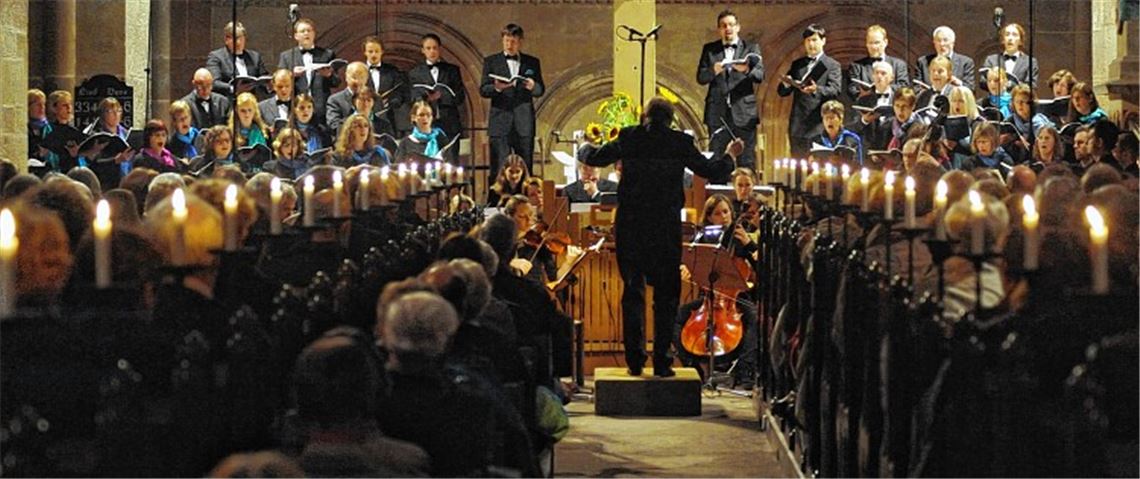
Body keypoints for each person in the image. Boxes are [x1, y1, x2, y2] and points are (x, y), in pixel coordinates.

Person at [578, 97, 743, 377]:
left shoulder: (630, 136)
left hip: (631, 225)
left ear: (645, 117)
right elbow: (711, 170)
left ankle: (634, 361)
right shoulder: (679, 142)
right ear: (671, 119)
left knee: (633, 292)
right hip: (665, 226)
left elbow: (593, 157)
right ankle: (663, 363)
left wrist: (583, 142)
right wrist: (731, 154)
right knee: (666, 295)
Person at [673, 194, 758, 386]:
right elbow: (692, 259)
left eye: (726, 212)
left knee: (754, 317)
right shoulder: (704, 237)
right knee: (677, 316)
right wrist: (688, 268)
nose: (724, 216)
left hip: (737, 299)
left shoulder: (741, 237)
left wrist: (748, 244)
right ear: (710, 217)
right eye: (718, 213)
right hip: (709, 298)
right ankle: (692, 367)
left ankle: (745, 372)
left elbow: (760, 265)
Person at [697, 9, 764, 177]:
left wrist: (746, 69)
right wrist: (713, 71)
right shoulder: (710, 50)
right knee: (717, 158)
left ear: (738, 27)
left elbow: (760, 76)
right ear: (719, 29)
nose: (728, 29)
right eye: (724, 26)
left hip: (743, 113)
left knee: (746, 159)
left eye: (731, 25)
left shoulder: (751, 48)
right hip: (717, 113)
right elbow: (701, 77)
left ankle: (746, 198)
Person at [480, 23, 545, 178]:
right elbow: (483, 89)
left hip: (524, 122)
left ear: (520, 42)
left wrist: (533, 86)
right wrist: (497, 88)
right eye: (507, 41)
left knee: (525, 166)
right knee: (499, 167)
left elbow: (540, 90)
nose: (510, 45)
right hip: (500, 122)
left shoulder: (532, 62)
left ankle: (526, 199)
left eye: (513, 41)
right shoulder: (491, 62)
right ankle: (496, 201)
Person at [777, 24, 842, 157]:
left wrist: (816, 89)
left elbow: (835, 90)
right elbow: (782, 92)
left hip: (819, 124)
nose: (811, 44)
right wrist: (787, 83)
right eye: (808, 41)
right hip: (798, 125)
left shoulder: (832, 65)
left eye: (814, 40)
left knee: (819, 166)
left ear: (823, 41)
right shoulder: (797, 64)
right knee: (798, 167)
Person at [278, 18, 340, 125]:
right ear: (296, 36)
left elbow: (337, 82)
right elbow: (279, 82)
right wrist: (292, 75)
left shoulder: (327, 54)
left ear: (314, 34)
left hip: (321, 110)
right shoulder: (287, 56)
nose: (306, 33)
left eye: (309, 30)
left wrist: (329, 75)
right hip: (297, 109)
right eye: (303, 31)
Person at [408, 33, 466, 141]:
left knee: (450, 155)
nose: (432, 51)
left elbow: (460, 97)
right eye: (428, 48)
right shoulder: (415, 73)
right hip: (426, 122)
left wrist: (442, 96)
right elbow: (412, 97)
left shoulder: (452, 70)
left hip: (449, 123)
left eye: (435, 48)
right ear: (423, 50)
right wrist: (425, 99)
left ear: (440, 49)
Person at [845, 25, 909, 101]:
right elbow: (852, 88)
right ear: (866, 44)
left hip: (893, 109)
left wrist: (882, 89)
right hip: (866, 109)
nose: (873, 47)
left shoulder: (899, 65)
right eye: (870, 43)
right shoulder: (856, 66)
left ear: (885, 42)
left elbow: (903, 87)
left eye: (877, 42)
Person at [362, 36, 410, 136]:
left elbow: (400, 91)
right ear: (365, 52)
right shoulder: (359, 70)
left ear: (382, 52)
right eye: (370, 51)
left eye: (376, 51)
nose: (373, 54)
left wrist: (393, 101)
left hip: (389, 119)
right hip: (364, 119)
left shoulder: (392, 71)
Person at [205, 21, 269, 97]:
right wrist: (234, 89)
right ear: (226, 39)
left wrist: (269, 85)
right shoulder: (216, 57)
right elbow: (214, 82)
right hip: (229, 103)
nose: (238, 43)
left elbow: (264, 77)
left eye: (241, 38)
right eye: (235, 39)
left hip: (252, 103)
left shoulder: (255, 57)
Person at [981, 23, 1039, 92]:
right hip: (995, 101)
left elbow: (1032, 86)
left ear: (1020, 41)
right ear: (1003, 40)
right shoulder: (991, 60)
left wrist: (1009, 84)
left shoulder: (1030, 62)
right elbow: (983, 82)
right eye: (1007, 34)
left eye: (1014, 35)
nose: (1010, 38)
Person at [914, 26, 976, 90]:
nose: (942, 44)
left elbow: (971, 89)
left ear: (953, 42)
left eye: (945, 40)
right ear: (934, 43)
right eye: (938, 40)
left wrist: (958, 83)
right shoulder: (923, 62)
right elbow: (917, 89)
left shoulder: (965, 63)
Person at [326, 62, 372, 135]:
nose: (358, 81)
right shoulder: (335, 100)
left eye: (362, 77)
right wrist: (356, 116)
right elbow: (334, 126)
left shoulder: (374, 98)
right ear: (346, 77)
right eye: (354, 77)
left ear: (367, 79)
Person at [814, 100, 863, 166]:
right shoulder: (816, 140)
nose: (829, 121)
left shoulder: (852, 139)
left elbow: (858, 165)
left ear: (841, 120)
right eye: (826, 118)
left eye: (832, 118)